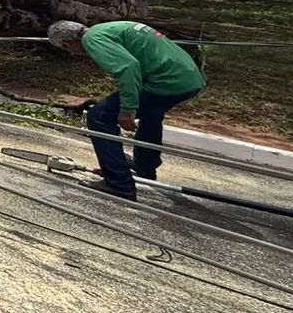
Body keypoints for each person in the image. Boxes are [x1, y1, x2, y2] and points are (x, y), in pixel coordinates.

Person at [47, 20, 205, 199]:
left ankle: (118, 181)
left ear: (67, 42)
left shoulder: (92, 39)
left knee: (99, 116)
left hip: (166, 82)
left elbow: (128, 67)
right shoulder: (110, 27)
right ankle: (144, 166)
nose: (72, 54)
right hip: (189, 79)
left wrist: (128, 108)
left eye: (66, 49)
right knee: (151, 113)